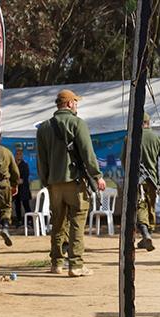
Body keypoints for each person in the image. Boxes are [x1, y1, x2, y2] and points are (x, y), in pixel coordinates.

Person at [36, 89, 106, 277]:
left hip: (54, 184)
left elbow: (41, 159)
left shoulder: (43, 128)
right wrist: (97, 176)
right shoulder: (77, 123)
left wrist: (46, 181)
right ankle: (75, 264)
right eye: (76, 102)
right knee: (77, 221)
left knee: (57, 222)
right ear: (68, 104)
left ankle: (56, 263)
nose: (77, 105)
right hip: (74, 182)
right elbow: (87, 153)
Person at [120, 113, 160, 251]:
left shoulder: (129, 138)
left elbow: (123, 160)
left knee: (140, 206)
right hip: (152, 180)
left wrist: (130, 173)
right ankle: (148, 234)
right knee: (150, 207)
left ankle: (145, 234)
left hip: (136, 180)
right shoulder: (157, 138)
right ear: (148, 122)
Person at [13, 146, 32, 226]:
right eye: (17, 154)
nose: (18, 155)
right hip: (16, 189)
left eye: (20, 154)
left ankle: (30, 221)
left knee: (26, 205)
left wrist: (16, 181)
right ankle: (19, 221)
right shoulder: (13, 165)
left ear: (22, 155)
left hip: (24, 189)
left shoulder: (25, 165)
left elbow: (23, 179)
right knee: (17, 205)